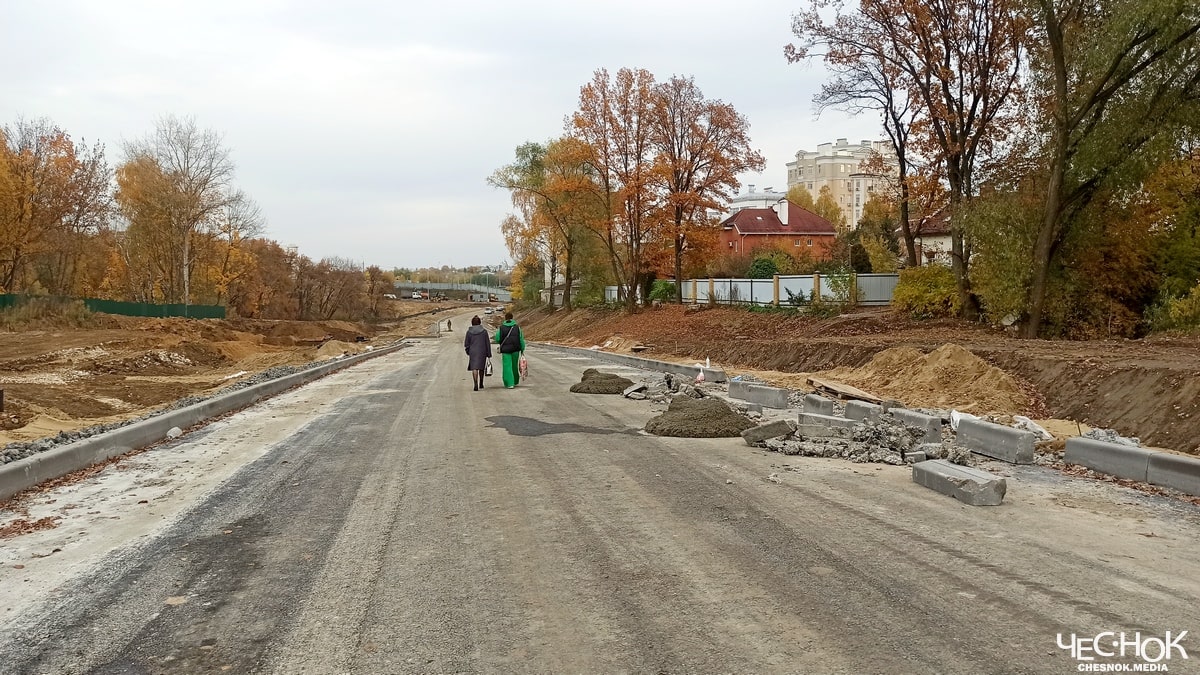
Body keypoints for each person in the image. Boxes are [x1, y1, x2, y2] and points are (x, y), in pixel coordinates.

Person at [492, 312, 526, 389]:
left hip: (505, 350)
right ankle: (515, 381)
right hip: (515, 350)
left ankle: (509, 383)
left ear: (505, 318)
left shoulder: (501, 328)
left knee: (507, 366)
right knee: (514, 365)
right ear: (512, 318)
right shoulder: (517, 328)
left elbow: (497, 339)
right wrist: (522, 349)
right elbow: (521, 339)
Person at [464, 316, 491, 391]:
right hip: (482, 351)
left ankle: (475, 383)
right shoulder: (484, 331)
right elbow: (487, 343)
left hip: (473, 352)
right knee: (481, 368)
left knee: (474, 368)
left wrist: (468, 351)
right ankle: (481, 383)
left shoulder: (469, 332)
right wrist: (489, 354)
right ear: (480, 322)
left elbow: (466, 343)